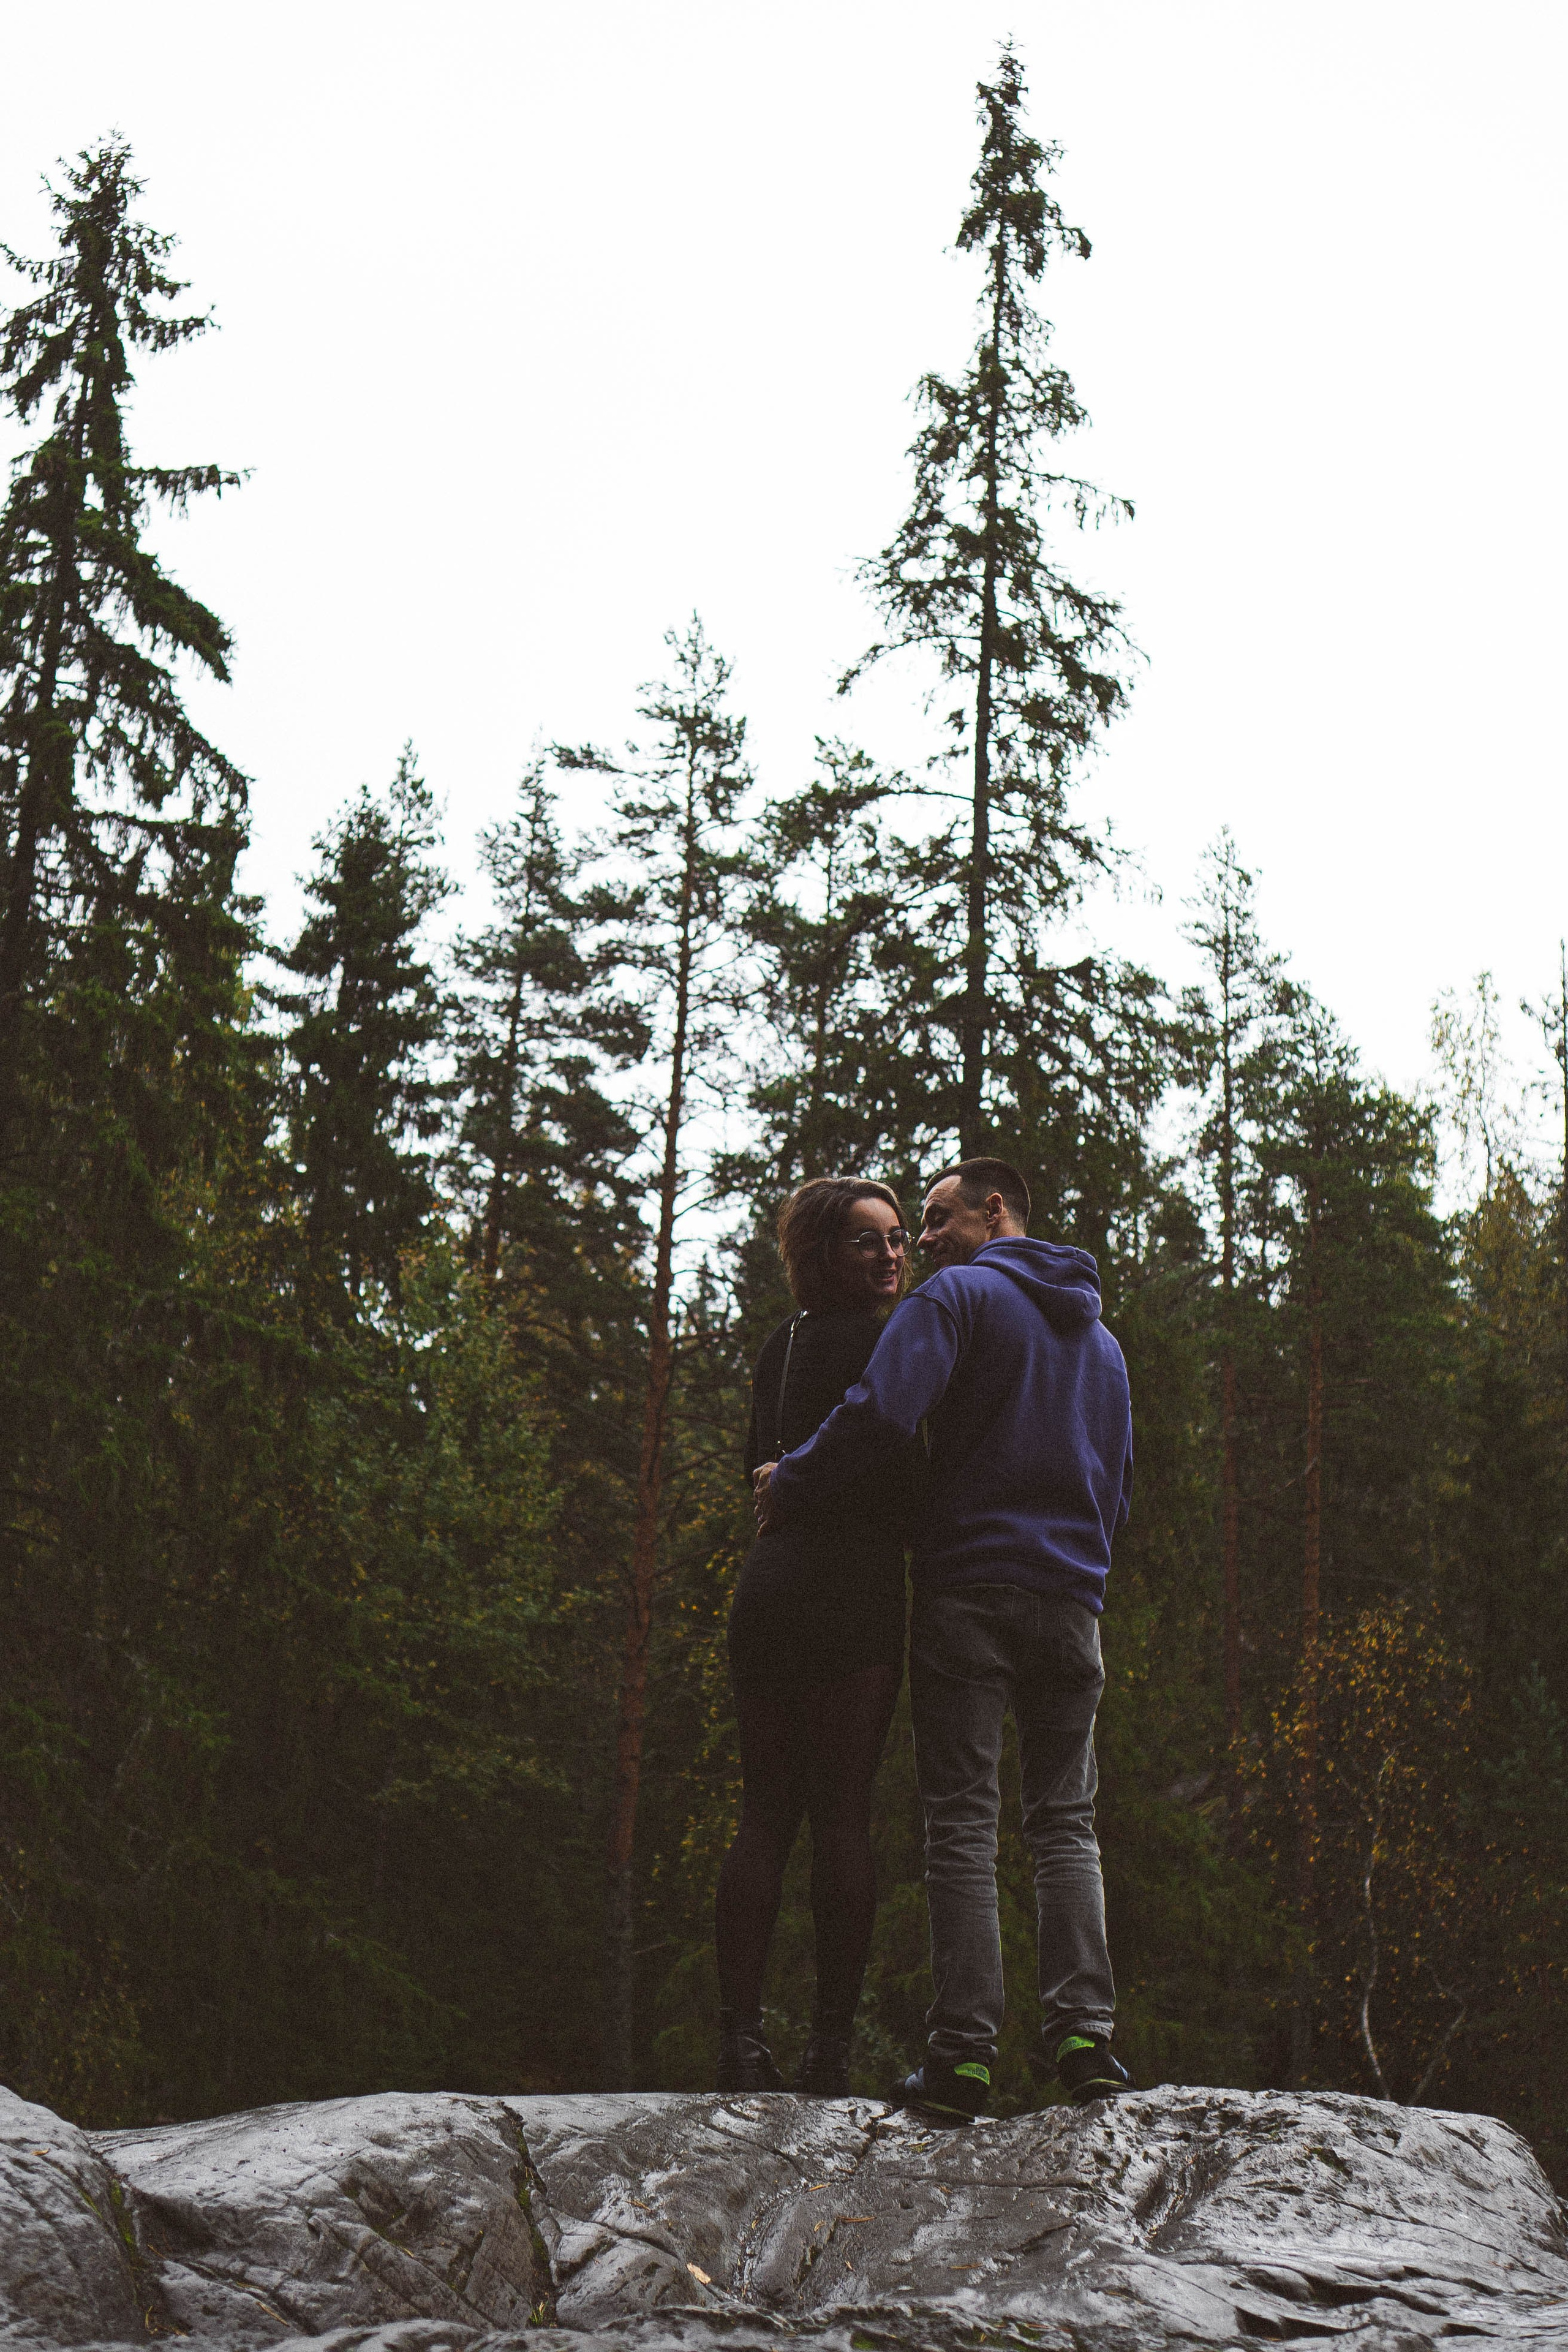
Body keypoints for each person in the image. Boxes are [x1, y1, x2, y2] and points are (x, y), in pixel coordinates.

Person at [753, 1157, 1134, 2122]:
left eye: (934, 1217)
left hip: (970, 1590)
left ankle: (963, 2058)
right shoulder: (1105, 1343)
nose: (919, 1241)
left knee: (962, 1823)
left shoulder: (955, 1299)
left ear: (994, 1211)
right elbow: (1118, 1483)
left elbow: (881, 1413)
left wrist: (790, 1479)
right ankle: (1085, 2040)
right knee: (1065, 1821)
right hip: (1073, 1600)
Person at [716, 1177, 915, 2097]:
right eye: (866, 1243)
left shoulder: (781, 1347)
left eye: (899, 1239)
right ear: (821, 1256)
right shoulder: (893, 1347)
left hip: (771, 1587)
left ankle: (740, 2045)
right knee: (840, 1818)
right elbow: (908, 1476)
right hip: (852, 1594)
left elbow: (757, 1470)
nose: (891, 1257)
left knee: (765, 1816)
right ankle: (829, 2055)